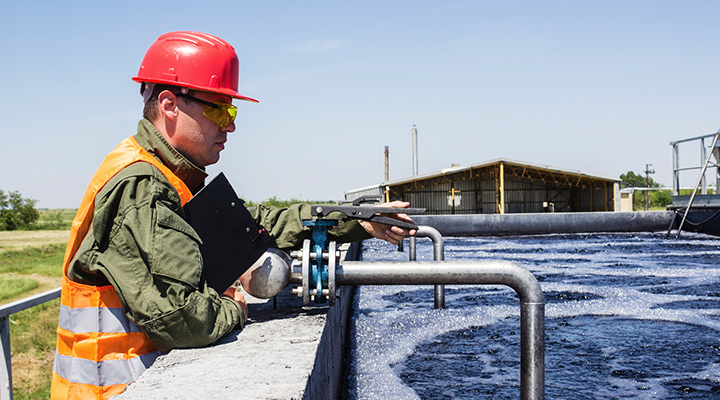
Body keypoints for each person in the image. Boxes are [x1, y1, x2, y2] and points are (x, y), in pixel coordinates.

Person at [50, 31, 415, 400]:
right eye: (218, 109)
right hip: (111, 390)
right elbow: (178, 319)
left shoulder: (172, 177)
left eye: (231, 111)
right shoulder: (141, 185)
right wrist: (234, 307)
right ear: (169, 104)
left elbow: (259, 224)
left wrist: (358, 220)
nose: (230, 124)